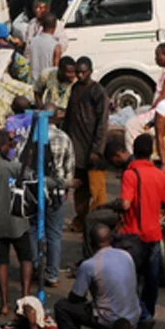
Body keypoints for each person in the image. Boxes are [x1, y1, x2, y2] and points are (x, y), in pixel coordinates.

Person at [120, 134, 165, 319]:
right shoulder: (160, 176)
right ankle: (148, 315)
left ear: (134, 151)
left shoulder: (130, 174)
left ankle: (136, 315)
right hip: (154, 235)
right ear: (151, 152)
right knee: (151, 280)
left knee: (132, 280)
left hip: (132, 236)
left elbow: (125, 205)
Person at [22, 105, 77, 288]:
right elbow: (70, 168)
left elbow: (19, 163)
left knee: (32, 230)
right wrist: (65, 189)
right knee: (54, 235)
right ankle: (52, 274)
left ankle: (37, 268)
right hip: (56, 193)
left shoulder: (29, 137)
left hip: (33, 191)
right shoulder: (64, 138)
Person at [55, 223, 139, 329]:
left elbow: (75, 297)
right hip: (133, 315)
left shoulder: (90, 265)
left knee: (62, 307)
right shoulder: (126, 255)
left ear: (91, 244)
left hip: (110, 319)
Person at [0, 129, 33, 309]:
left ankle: (4, 303)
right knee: (25, 258)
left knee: (1, 261)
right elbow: (31, 177)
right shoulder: (11, 167)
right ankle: (25, 299)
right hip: (17, 221)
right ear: (0, 146)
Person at [64, 57, 108, 234]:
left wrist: (97, 149)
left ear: (90, 71)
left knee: (97, 192)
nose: (80, 75)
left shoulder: (98, 91)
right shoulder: (75, 88)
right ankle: (80, 220)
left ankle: (98, 224)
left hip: (92, 149)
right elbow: (68, 116)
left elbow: (103, 122)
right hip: (76, 148)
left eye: (83, 72)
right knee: (80, 191)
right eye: (78, 72)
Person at [28, 13, 61, 84]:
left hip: (33, 81)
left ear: (42, 25)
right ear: (55, 27)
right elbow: (56, 69)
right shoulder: (56, 45)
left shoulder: (32, 41)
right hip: (47, 82)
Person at [42, 57, 77, 122]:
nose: (73, 75)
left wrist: (65, 113)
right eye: (69, 72)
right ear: (60, 71)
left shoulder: (77, 82)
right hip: (50, 110)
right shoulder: (48, 74)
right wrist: (41, 108)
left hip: (67, 113)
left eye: (74, 72)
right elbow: (37, 91)